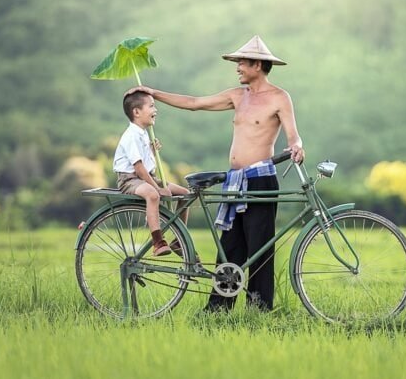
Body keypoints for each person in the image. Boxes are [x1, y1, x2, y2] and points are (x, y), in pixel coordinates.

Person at [127, 35, 305, 311]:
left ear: (258, 65)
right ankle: (218, 308)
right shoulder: (238, 96)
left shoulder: (280, 98)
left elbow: (293, 136)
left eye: (241, 63)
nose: (237, 68)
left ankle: (258, 308)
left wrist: (296, 147)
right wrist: (153, 93)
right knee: (230, 245)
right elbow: (194, 102)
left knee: (259, 246)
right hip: (234, 180)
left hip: (260, 179)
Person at [113, 90, 190, 256]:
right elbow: (139, 168)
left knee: (185, 194)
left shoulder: (143, 133)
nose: (156, 110)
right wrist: (157, 188)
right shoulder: (131, 135)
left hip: (146, 177)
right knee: (153, 195)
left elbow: (146, 165)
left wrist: (152, 152)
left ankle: (178, 240)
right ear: (136, 112)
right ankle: (158, 242)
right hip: (130, 179)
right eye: (152, 106)